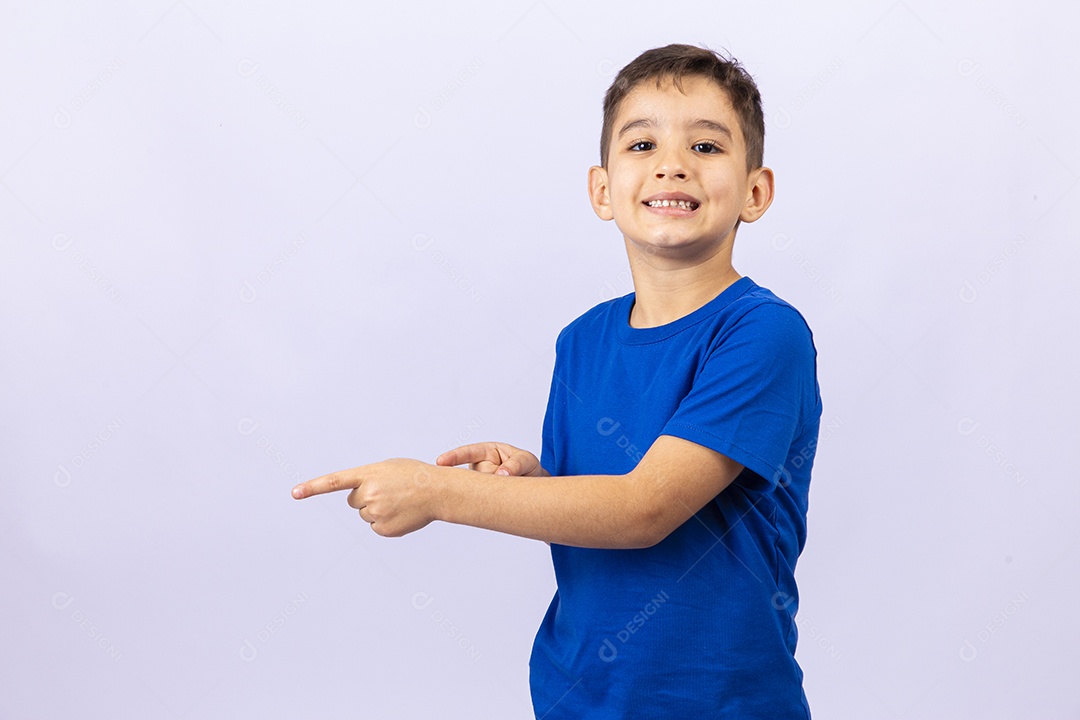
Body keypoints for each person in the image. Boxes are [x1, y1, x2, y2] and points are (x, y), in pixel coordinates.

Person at [292, 43, 822, 719]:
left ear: (756, 191)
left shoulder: (762, 333)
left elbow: (644, 510)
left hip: (721, 703)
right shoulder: (582, 341)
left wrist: (435, 490)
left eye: (708, 147)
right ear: (602, 189)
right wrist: (535, 482)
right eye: (641, 144)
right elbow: (597, 510)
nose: (672, 163)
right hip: (579, 697)